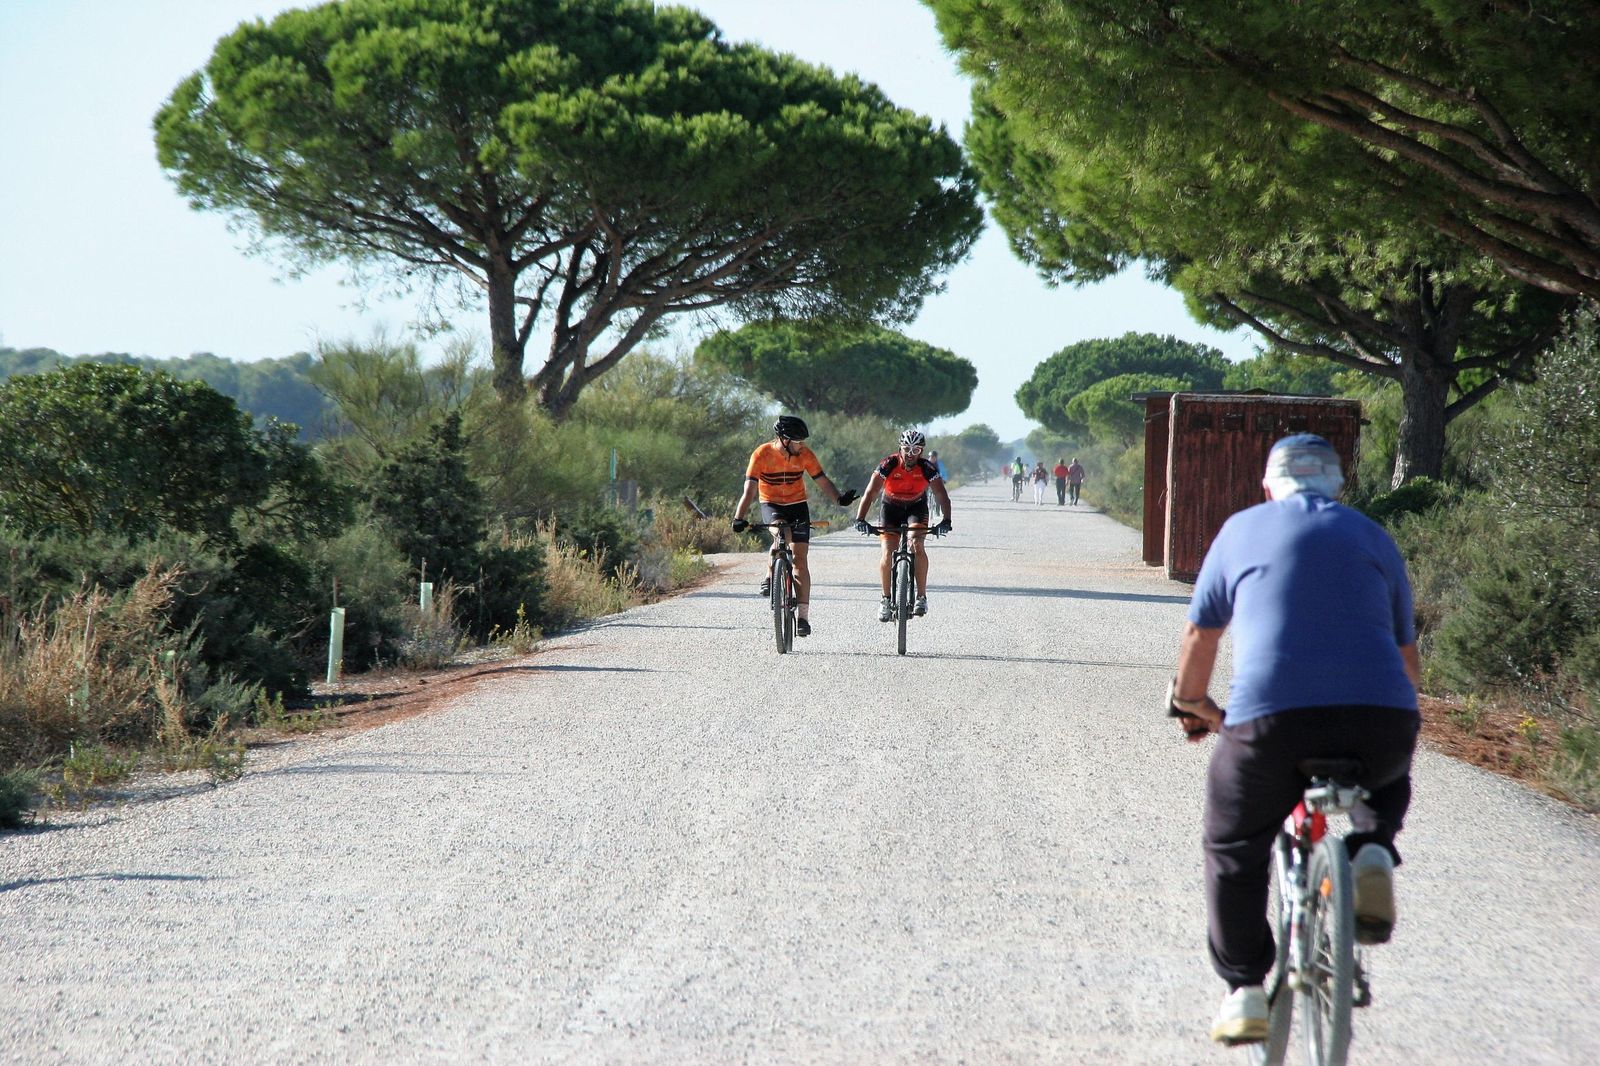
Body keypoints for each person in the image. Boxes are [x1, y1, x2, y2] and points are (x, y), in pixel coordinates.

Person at [1167, 434, 1420, 1045]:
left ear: (1268, 485)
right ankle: (1373, 849)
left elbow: (1202, 640)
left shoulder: (1240, 530)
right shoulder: (1373, 537)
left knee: (1233, 842)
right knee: (1386, 775)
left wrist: (1195, 705)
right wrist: (1395, 721)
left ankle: (1246, 990)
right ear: (1338, 485)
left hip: (1273, 721)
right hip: (1380, 717)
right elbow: (1408, 664)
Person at [731, 415, 857, 638]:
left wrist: (839, 499)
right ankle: (771, 576)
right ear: (784, 439)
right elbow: (749, 490)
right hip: (771, 504)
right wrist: (739, 517)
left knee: (800, 559)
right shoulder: (762, 454)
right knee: (780, 532)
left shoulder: (805, 455)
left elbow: (822, 480)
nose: (803, 445)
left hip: (798, 505)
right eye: (798, 441)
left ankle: (803, 618)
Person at [853, 428, 952, 621]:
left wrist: (946, 520)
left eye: (915, 450)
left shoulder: (926, 468)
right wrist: (860, 518)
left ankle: (921, 597)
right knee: (888, 551)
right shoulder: (888, 464)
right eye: (906, 448)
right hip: (890, 507)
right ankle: (885, 599)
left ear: (922, 452)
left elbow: (941, 495)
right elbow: (871, 492)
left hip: (916, 507)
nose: (910, 454)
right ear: (900, 447)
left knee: (917, 544)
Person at [928, 449, 949, 522]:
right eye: (931, 457)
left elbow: (944, 472)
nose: (932, 458)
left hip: (937, 480)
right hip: (928, 481)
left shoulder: (940, 464)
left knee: (938, 495)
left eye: (934, 457)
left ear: (936, 458)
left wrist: (944, 480)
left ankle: (937, 509)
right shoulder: (926, 463)